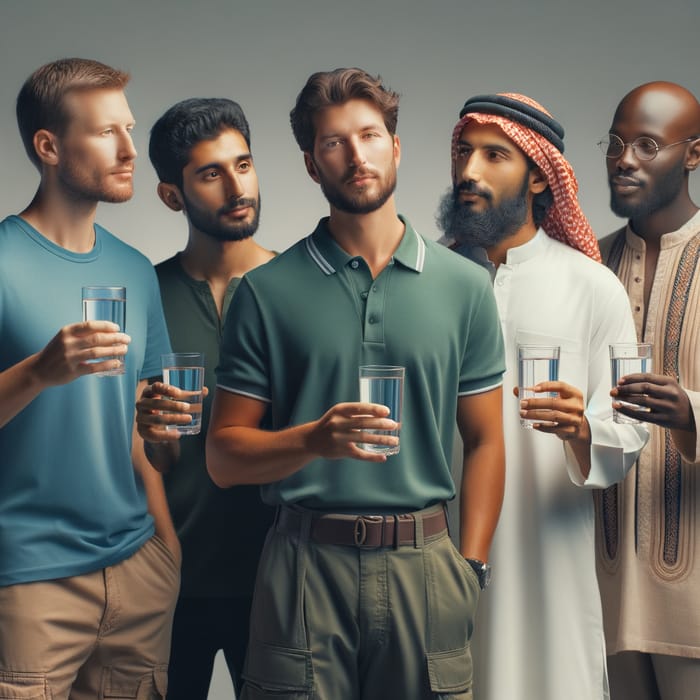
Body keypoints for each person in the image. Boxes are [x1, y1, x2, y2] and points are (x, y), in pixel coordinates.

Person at [206, 67, 506, 699]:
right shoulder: (264, 292)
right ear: (313, 165)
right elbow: (224, 457)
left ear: (395, 147)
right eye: (334, 142)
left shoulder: (465, 287)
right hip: (303, 568)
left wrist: (469, 565)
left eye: (369, 135)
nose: (356, 154)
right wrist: (314, 440)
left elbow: (484, 441)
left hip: (426, 566)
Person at [437, 92, 648, 700]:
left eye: (494, 155)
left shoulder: (592, 286)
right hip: (438, 546)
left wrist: (583, 429)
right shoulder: (431, 281)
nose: (470, 171)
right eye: (464, 152)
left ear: (536, 175)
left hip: (548, 552)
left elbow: (628, 426)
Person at [0, 58, 179, 699]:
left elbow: (138, 429)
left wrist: (166, 547)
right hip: (29, 579)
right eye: (107, 133)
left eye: (128, 129)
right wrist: (41, 372)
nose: (131, 149)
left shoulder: (133, 270)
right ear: (48, 147)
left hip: (137, 569)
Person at [135, 97, 275, 698]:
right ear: (172, 195)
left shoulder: (300, 285)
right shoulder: (145, 292)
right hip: (169, 583)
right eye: (211, 173)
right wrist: (153, 437)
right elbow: (151, 458)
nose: (236, 186)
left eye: (242, 165)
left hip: (281, 583)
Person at [594, 81, 700, 700]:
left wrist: (690, 411)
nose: (624, 159)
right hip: (600, 581)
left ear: (693, 154)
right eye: (614, 144)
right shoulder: (588, 264)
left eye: (646, 145)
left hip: (690, 588)